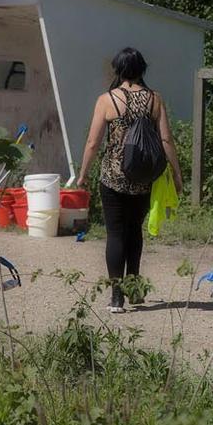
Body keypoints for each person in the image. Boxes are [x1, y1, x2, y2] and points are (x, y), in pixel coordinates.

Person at [76, 48, 183, 313]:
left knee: (115, 233)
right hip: (144, 177)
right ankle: (135, 291)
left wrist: (83, 173)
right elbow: (167, 140)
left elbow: (93, 141)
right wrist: (177, 175)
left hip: (113, 176)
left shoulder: (107, 99)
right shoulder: (155, 99)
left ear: (118, 70)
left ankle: (116, 298)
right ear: (142, 69)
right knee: (134, 231)